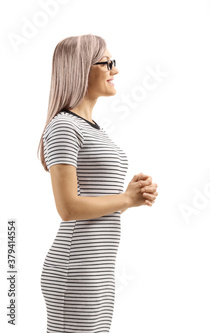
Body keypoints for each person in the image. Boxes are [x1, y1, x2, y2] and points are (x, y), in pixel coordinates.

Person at [37, 34, 159, 333]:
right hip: (76, 267)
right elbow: (68, 209)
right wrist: (126, 199)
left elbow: (95, 205)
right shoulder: (64, 126)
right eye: (107, 63)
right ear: (81, 68)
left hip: (98, 270)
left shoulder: (93, 130)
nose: (115, 71)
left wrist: (134, 197)